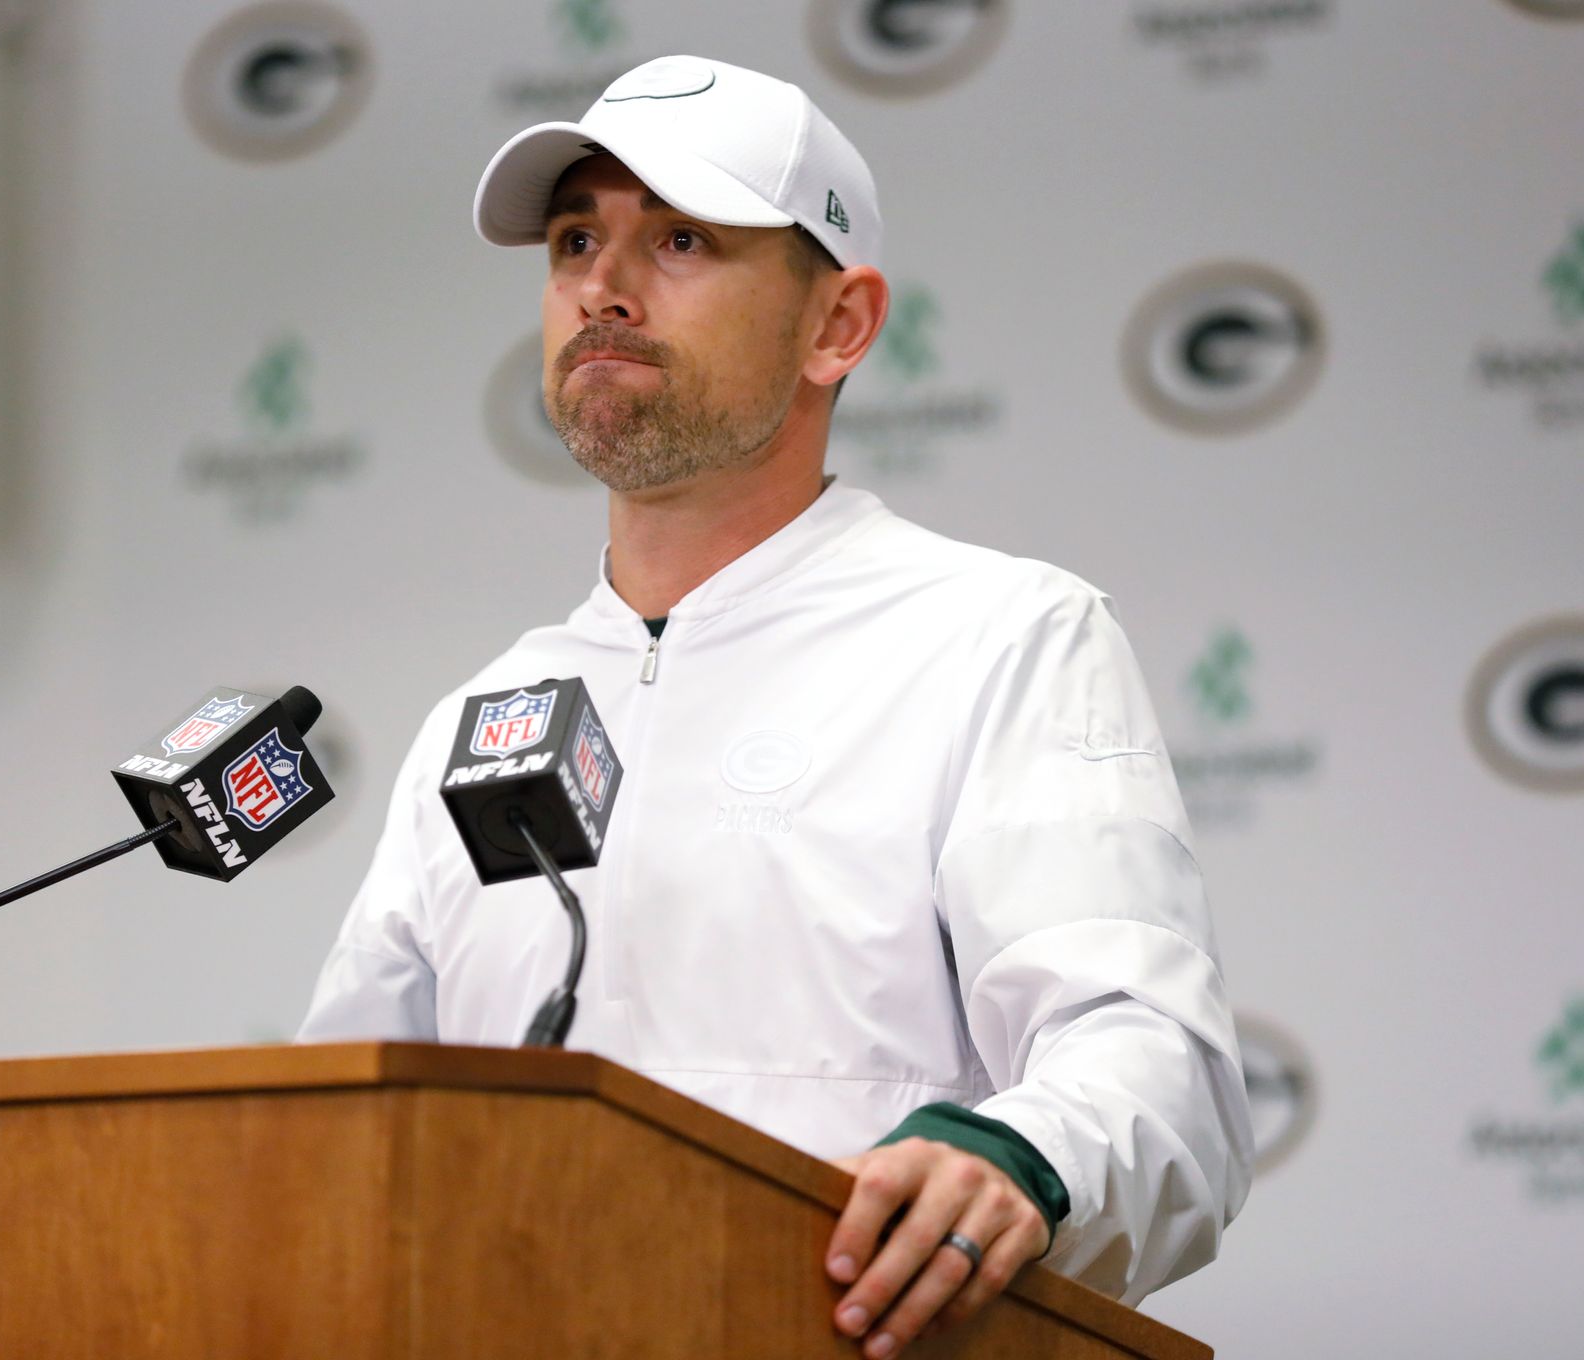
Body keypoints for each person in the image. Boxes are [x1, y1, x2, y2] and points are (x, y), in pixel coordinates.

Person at [299, 54, 1250, 1355]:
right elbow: (340, 1141)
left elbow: (1155, 1073)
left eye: (680, 238)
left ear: (839, 327)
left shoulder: (997, 636)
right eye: (577, 239)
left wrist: (1017, 1156)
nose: (604, 287)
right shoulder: (492, 709)